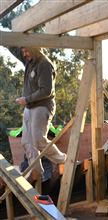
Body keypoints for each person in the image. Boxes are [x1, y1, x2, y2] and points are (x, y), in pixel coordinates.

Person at [8, 46, 66, 182]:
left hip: (42, 106)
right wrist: (6, 40)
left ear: (36, 49)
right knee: (26, 142)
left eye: (27, 50)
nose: (24, 53)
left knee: (38, 140)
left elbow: (46, 91)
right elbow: (14, 48)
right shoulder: (29, 59)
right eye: (23, 51)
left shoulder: (44, 64)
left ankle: (64, 160)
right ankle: (36, 173)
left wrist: (26, 99)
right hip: (29, 108)